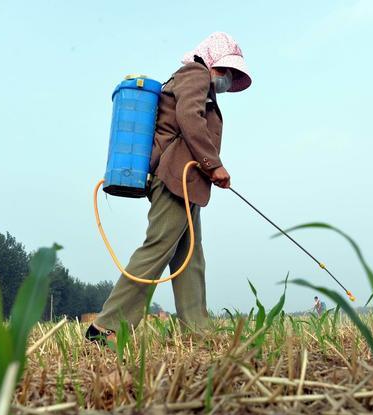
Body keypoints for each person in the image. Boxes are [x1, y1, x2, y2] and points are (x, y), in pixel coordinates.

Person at [86, 32, 252, 343]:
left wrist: (208, 167)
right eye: (227, 70)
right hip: (175, 178)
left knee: (189, 256)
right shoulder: (194, 73)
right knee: (157, 249)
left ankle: (197, 330)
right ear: (213, 61)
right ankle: (106, 327)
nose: (228, 78)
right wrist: (213, 163)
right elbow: (189, 117)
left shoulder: (197, 81)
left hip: (187, 182)